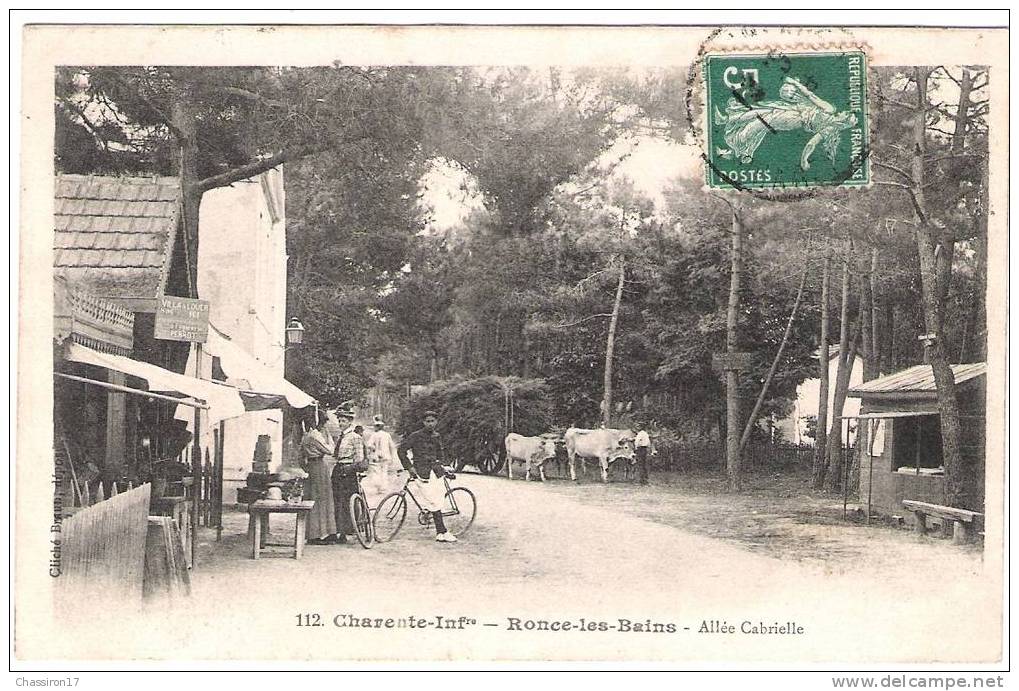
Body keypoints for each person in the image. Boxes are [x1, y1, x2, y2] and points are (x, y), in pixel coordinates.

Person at [398, 410, 456, 543]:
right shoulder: (415, 436)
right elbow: (401, 450)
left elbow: (440, 454)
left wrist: (442, 465)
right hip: (422, 472)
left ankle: (440, 532)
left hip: (436, 472)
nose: (430, 424)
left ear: (436, 422)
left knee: (437, 500)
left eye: (432, 421)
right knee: (433, 501)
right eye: (427, 421)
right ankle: (442, 531)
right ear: (423, 422)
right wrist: (409, 467)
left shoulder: (436, 436)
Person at [300, 411, 341, 544]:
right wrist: (329, 437)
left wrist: (306, 468)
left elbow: (300, 458)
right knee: (323, 499)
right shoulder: (315, 436)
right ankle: (320, 534)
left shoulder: (305, 436)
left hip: (311, 467)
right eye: (323, 423)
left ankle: (315, 533)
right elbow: (330, 451)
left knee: (313, 497)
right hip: (319, 466)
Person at [332, 404, 367, 540]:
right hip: (338, 470)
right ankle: (338, 530)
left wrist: (351, 468)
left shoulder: (355, 437)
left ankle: (346, 532)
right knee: (336, 501)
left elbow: (359, 458)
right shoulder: (341, 437)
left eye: (344, 421)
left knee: (347, 502)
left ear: (350, 422)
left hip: (348, 471)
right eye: (340, 421)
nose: (341, 423)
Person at [366, 415, 400, 495]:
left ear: (377, 427)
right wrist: (392, 456)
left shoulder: (374, 435)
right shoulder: (387, 435)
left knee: (377, 471)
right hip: (386, 456)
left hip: (377, 456)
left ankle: (379, 487)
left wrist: (374, 448)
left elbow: (369, 445)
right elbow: (391, 446)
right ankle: (383, 487)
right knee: (384, 471)